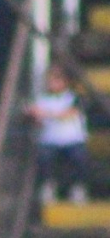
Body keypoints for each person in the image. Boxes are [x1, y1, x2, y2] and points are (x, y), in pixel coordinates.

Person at [26, 63, 90, 205]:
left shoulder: (75, 97)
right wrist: (34, 116)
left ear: (65, 81)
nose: (52, 83)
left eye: (56, 79)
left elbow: (69, 114)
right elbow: (38, 121)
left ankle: (78, 188)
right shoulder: (42, 100)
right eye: (50, 79)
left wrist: (46, 113)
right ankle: (48, 187)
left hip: (73, 140)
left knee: (80, 158)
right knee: (44, 158)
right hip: (50, 141)